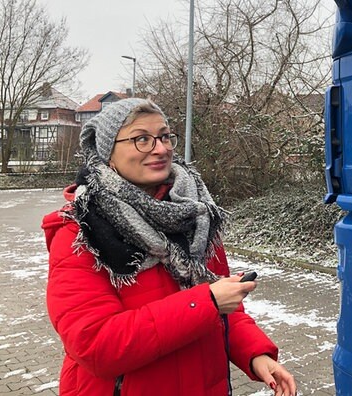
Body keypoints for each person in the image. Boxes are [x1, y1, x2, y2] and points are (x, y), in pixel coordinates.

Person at [42, 98, 297, 396]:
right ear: (108, 153)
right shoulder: (81, 231)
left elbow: (223, 306)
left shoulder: (195, 215)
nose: (161, 149)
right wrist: (206, 302)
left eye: (164, 136)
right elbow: (96, 345)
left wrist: (256, 354)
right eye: (141, 139)